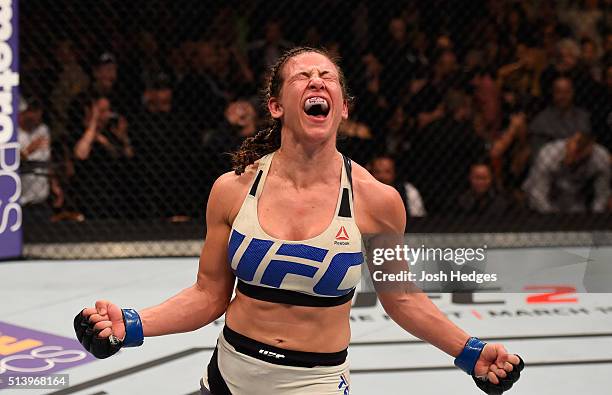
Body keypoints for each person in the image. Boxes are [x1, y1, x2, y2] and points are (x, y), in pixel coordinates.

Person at [74, 47, 523, 394]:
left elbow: (402, 299)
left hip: (317, 382)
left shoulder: (376, 201)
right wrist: (130, 324)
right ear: (275, 105)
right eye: (303, 75)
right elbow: (209, 294)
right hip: (230, 375)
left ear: (343, 107)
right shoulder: (232, 190)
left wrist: (469, 352)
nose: (317, 80)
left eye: (327, 76)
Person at [523, 131, 610, 213]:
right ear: (567, 143)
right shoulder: (548, 154)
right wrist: (550, 217)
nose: (571, 159)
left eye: (577, 155)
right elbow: (538, 193)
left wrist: (596, 216)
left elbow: (602, 194)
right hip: (548, 198)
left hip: (576, 200)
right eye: (570, 153)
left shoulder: (601, 158)